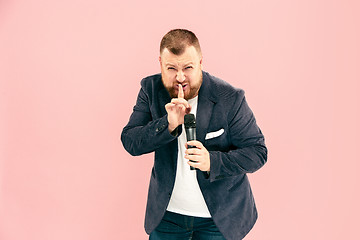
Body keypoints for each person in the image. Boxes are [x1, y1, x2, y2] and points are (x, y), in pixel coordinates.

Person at [121, 29, 267, 240]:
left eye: (188, 67)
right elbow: (130, 141)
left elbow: (257, 152)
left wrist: (212, 162)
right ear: (160, 63)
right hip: (167, 215)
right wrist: (168, 125)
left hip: (219, 218)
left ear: (200, 62)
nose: (180, 77)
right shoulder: (150, 89)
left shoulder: (230, 98)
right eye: (171, 68)